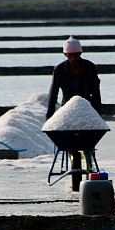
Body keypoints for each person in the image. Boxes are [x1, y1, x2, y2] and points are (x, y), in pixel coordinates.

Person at [46, 36, 103, 182]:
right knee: (71, 141)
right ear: (65, 55)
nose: (73, 58)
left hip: (86, 109)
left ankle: (89, 164)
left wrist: (98, 115)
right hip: (68, 111)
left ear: (80, 53)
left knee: (88, 142)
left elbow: (96, 92)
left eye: (76, 55)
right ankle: (73, 155)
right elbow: (53, 93)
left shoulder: (90, 68)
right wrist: (50, 116)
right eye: (70, 55)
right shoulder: (59, 70)